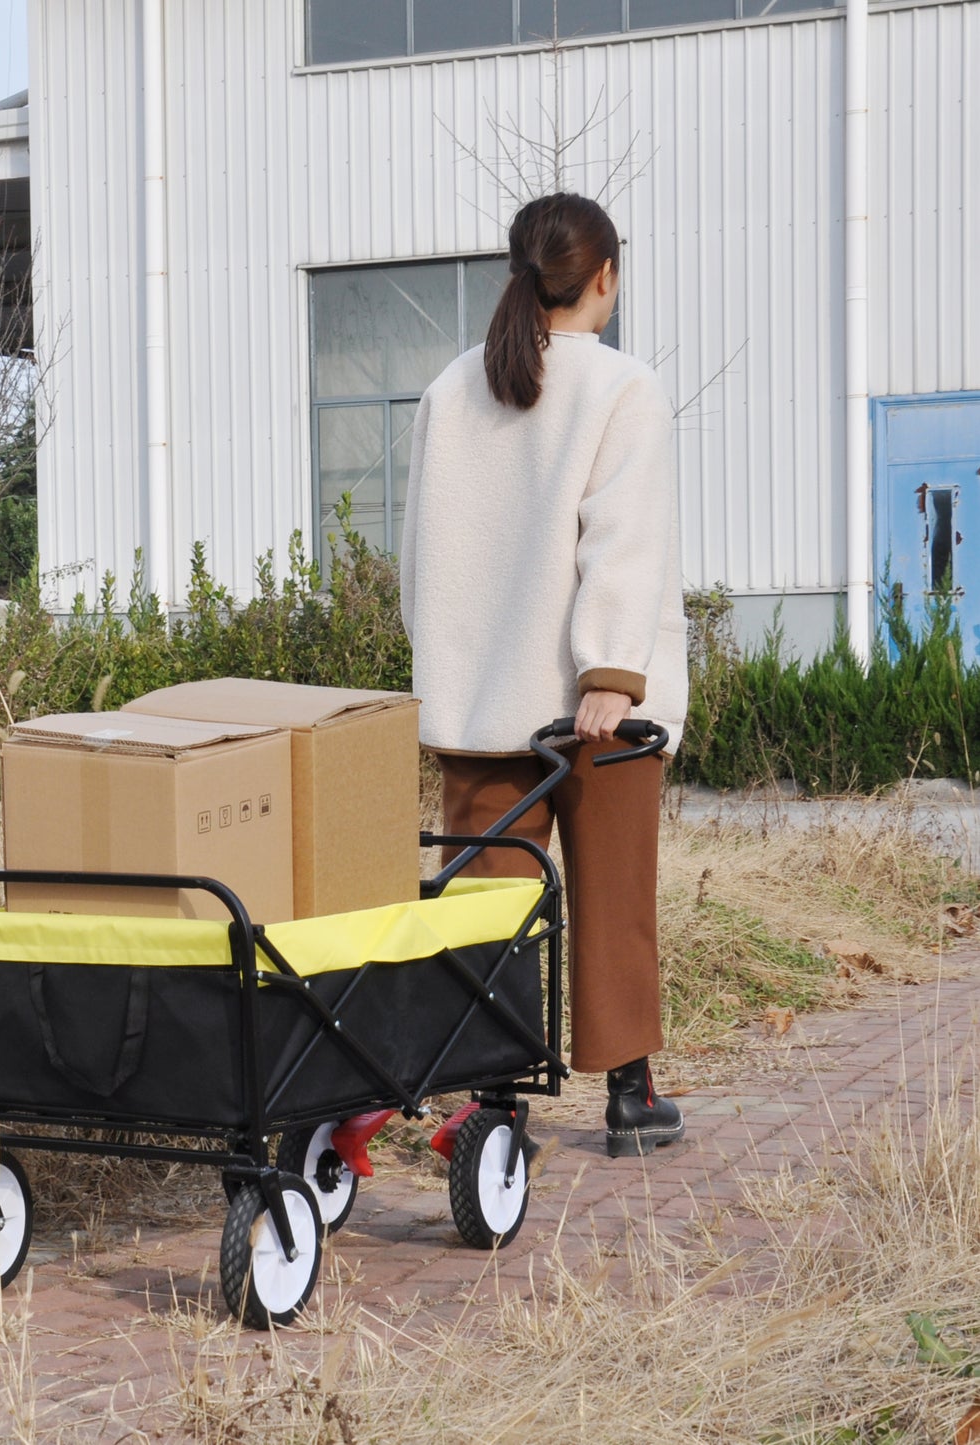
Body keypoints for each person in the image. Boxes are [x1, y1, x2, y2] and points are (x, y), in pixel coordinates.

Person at [399, 192, 690, 1159]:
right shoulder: (621, 386)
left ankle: (491, 1102)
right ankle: (629, 1094)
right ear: (602, 274)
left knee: (489, 902)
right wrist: (610, 670)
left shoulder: (452, 388)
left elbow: (421, 555)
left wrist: (441, 673)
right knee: (613, 896)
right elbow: (624, 538)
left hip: (480, 701)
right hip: (593, 705)